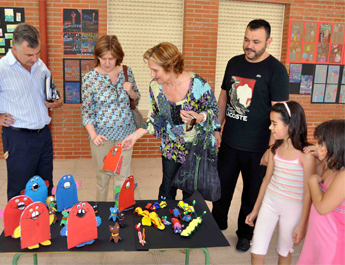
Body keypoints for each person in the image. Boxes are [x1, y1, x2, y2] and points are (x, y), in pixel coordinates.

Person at [212, 19, 290, 252]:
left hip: (258, 148)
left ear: (268, 41)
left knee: (252, 193)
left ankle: (245, 233)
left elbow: (280, 114)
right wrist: (217, 127)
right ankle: (217, 224)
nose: (250, 45)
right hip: (229, 142)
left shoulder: (276, 70)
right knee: (222, 188)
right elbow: (224, 97)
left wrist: (272, 149)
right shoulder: (233, 63)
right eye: (247, 39)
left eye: (256, 42)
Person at [121, 42, 221, 200]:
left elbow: (214, 111)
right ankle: (165, 221)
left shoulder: (197, 84)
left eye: (155, 70)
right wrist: (134, 136)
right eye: (151, 70)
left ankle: (188, 222)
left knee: (191, 193)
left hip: (194, 148)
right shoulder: (155, 87)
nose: (152, 75)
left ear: (171, 66)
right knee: (167, 189)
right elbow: (155, 118)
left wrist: (199, 117)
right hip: (171, 146)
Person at [0, 23, 63, 201]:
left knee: (45, 185)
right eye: (29, 55)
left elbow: (51, 91)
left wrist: (57, 102)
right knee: (21, 189)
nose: (34, 59)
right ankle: (19, 227)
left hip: (43, 136)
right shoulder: (0, 69)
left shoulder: (40, 66)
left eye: (37, 53)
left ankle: (45, 223)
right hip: (18, 139)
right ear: (14, 48)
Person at [245, 101, 316, 265]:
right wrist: (255, 210)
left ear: (291, 125)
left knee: (284, 252)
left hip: (293, 208)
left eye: (274, 123)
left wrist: (303, 224)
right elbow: (266, 181)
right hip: (270, 202)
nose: (270, 128)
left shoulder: (306, 155)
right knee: (256, 251)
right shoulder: (274, 150)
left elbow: (308, 193)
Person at [81, 35, 140, 201]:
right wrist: (93, 135)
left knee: (122, 176)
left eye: (111, 58)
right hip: (101, 136)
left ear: (118, 57)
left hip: (125, 134)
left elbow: (136, 98)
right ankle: (101, 211)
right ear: (97, 57)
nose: (107, 63)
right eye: (102, 58)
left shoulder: (127, 73)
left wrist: (130, 91)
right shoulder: (89, 79)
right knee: (103, 177)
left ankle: (120, 212)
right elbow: (87, 112)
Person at [297, 119, 345, 265]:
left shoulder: (343, 176)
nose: (316, 146)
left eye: (320, 143)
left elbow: (323, 207)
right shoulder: (330, 166)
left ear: (335, 145)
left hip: (331, 242)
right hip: (317, 236)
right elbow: (320, 180)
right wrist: (318, 159)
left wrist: (312, 182)